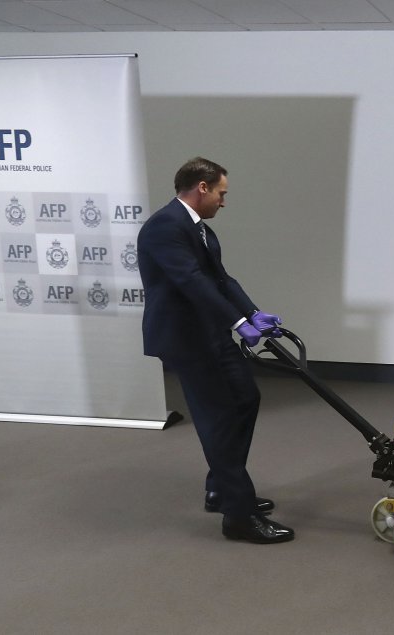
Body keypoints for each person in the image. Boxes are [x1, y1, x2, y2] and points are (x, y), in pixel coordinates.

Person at [137, 157, 294, 544]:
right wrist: (239, 324)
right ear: (202, 187)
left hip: (210, 333)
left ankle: (221, 488)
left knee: (246, 398)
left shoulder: (201, 231)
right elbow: (190, 281)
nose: (224, 201)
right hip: (184, 338)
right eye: (222, 193)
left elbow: (221, 279)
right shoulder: (164, 227)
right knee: (219, 418)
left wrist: (253, 313)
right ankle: (237, 515)